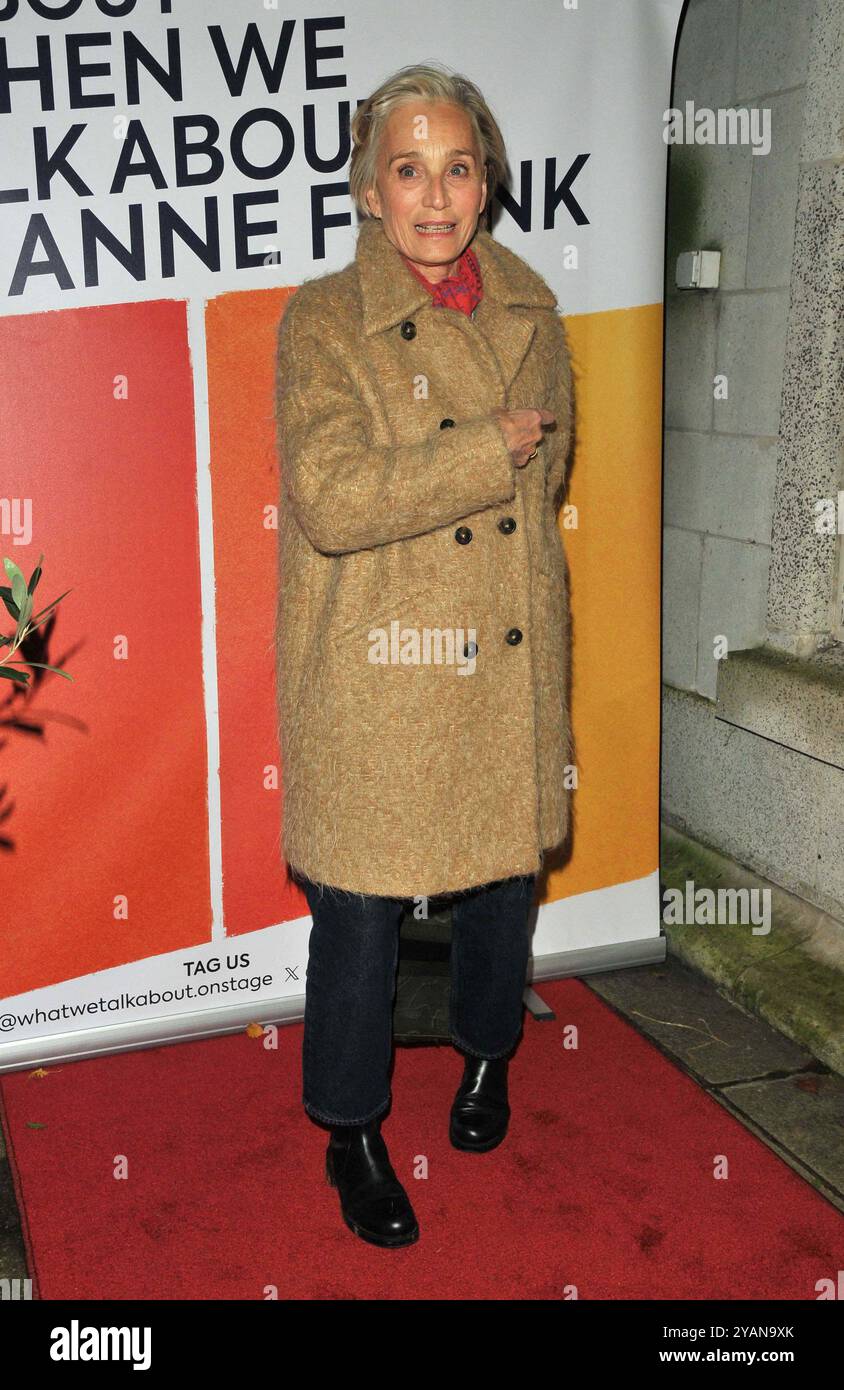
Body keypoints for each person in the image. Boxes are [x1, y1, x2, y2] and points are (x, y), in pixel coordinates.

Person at [274, 62, 575, 1249]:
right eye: (410, 169)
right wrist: (482, 451)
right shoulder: (322, 320)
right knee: (358, 912)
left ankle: (487, 1059)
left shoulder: (532, 305)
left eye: (458, 167)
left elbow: (544, 495)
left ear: (487, 179)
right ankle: (350, 1131)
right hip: (377, 666)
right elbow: (331, 498)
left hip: (498, 655)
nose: (436, 197)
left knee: (503, 884)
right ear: (367, 186)